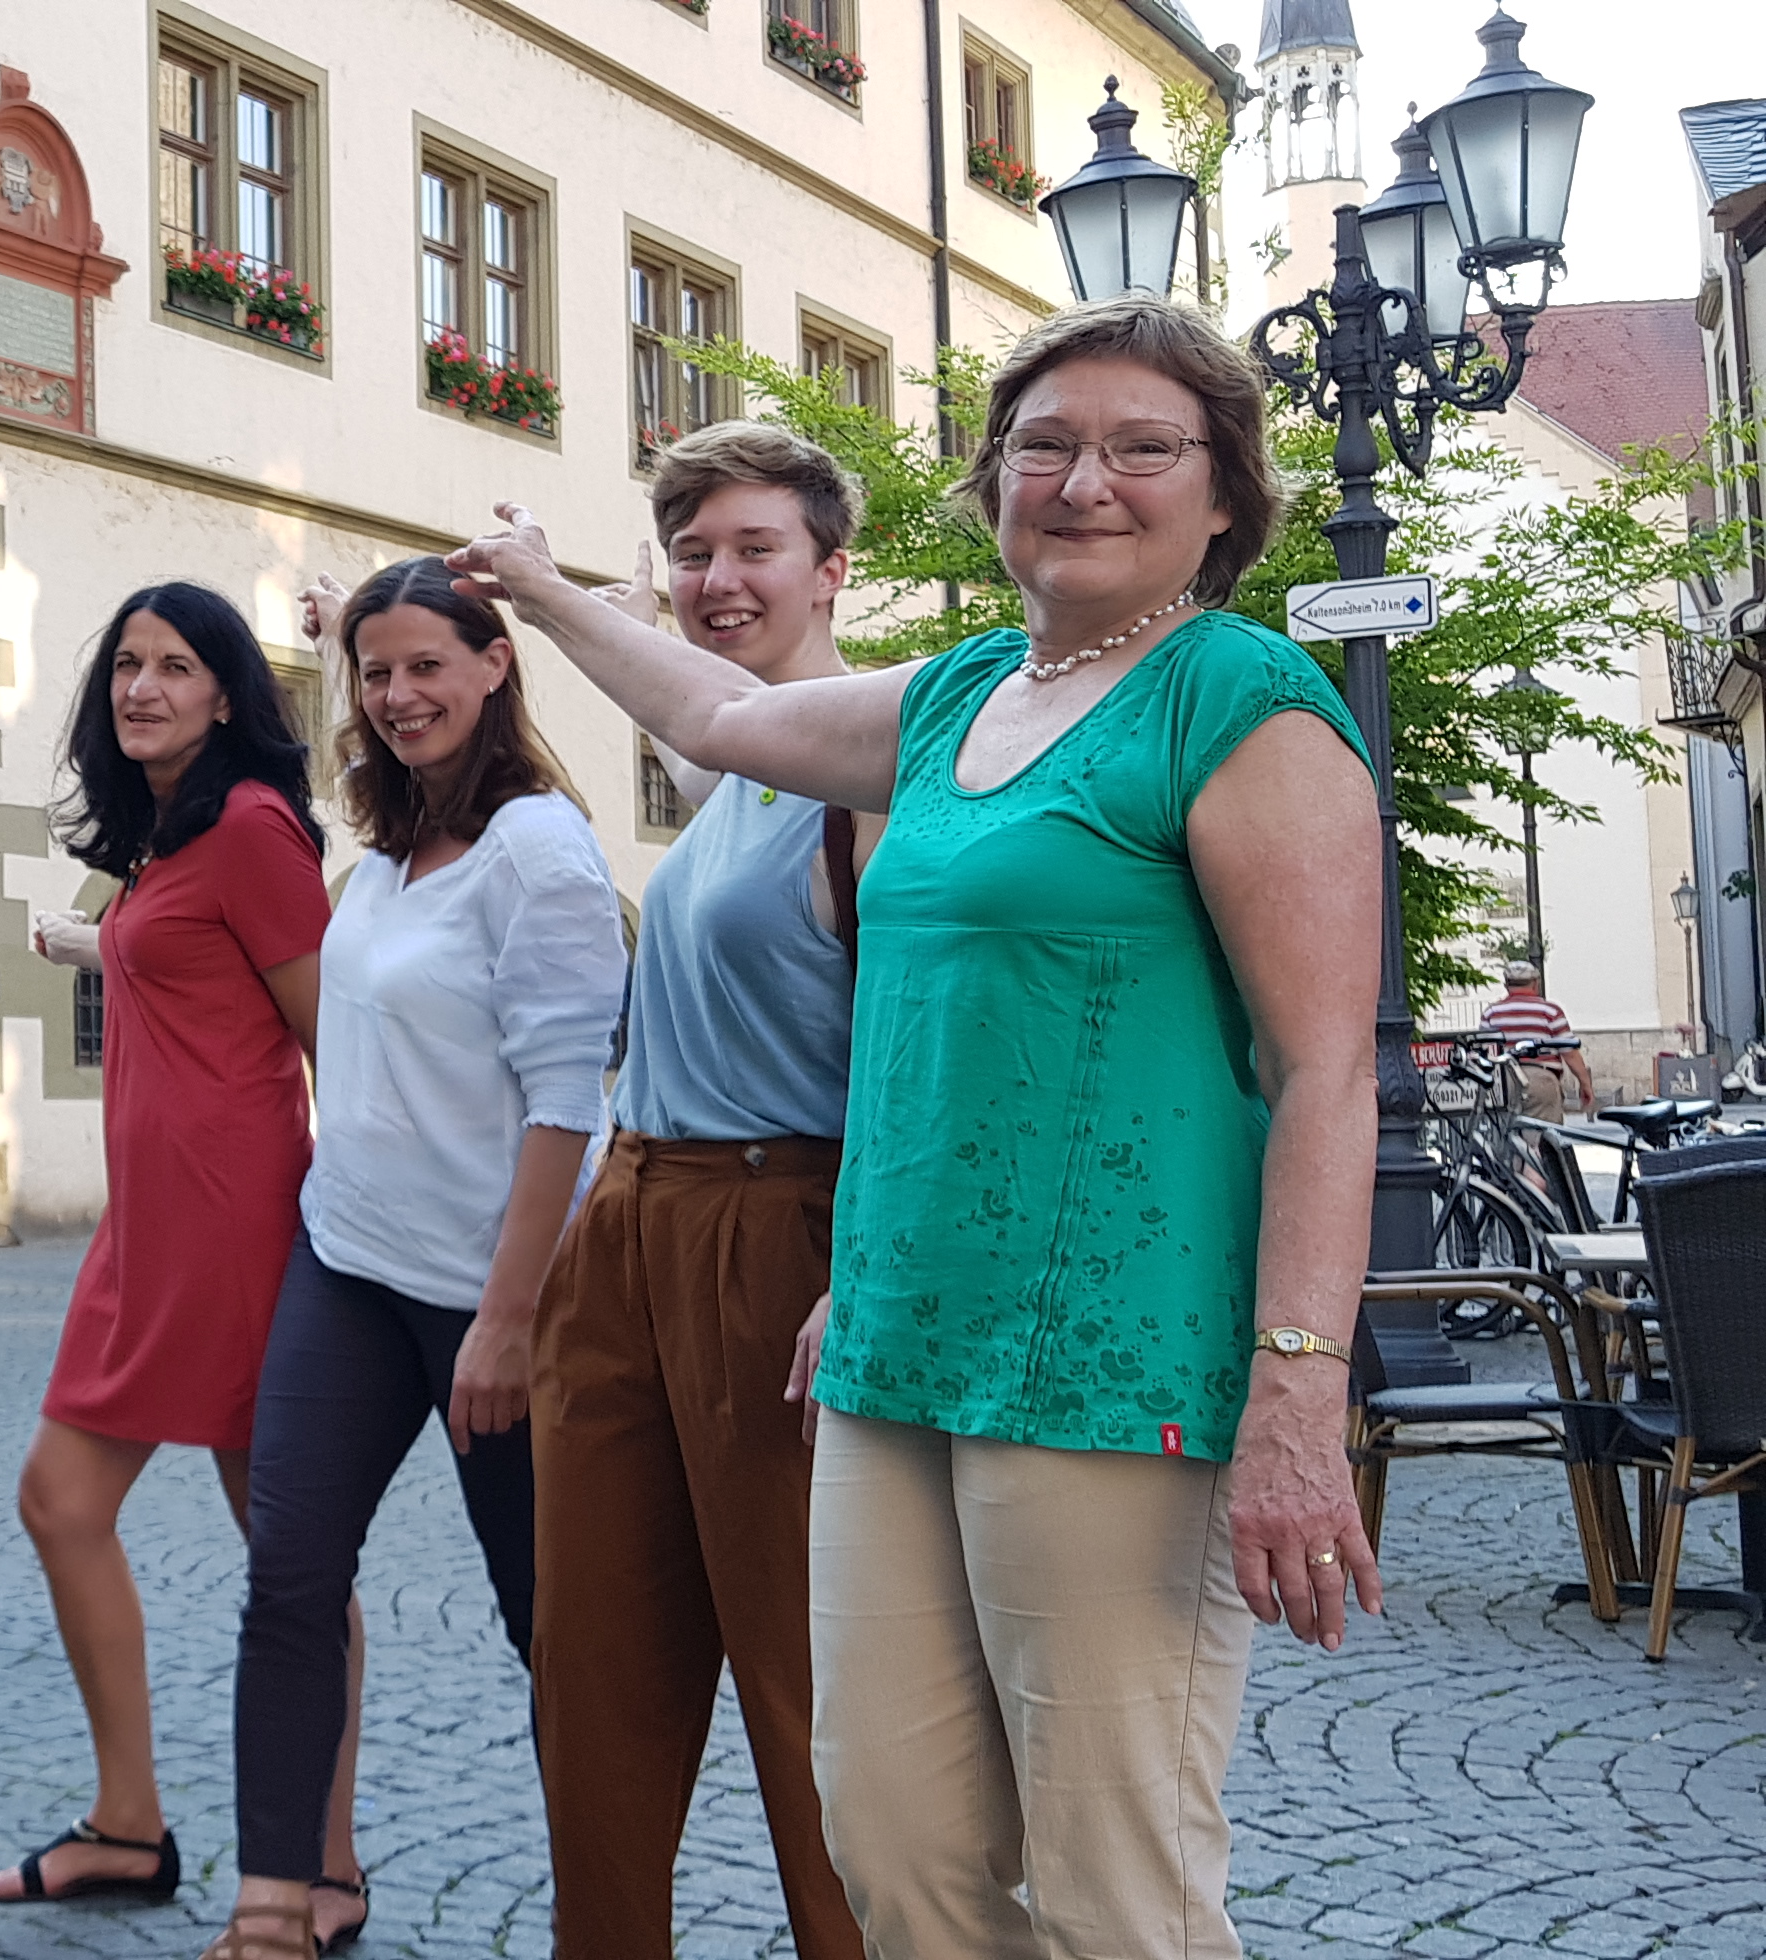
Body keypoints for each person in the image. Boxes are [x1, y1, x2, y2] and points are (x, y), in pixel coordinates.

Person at [448, 292, 1384, 1956]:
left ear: (1223, 496)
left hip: (1107, 1360)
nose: (1083, 479)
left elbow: (1326, 1070)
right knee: (894, 1852)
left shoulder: (1241, 702)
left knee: (1114, 1878)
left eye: (1139, 447)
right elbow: (716, 718)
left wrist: (1298, 1396)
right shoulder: (958, 697)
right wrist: (540, 590)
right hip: (891, 1352)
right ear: (992, 481)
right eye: (1043, 445)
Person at [203, 560, 610, 1960]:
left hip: (495, 1296)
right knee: (290, 1576)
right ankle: (274, 1902)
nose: (398, 695)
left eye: (427, 664)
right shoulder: (385, 850)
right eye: (377, 673)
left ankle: (604, 1916)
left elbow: (567, 1099)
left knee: (550, 1619)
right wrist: (332, 636)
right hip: (350, 1263)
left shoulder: (538, 850)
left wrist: (507, 1322)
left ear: (496, 664)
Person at [514, 423, 873, 1960]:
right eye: (693, 553)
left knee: (810, 1685)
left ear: (832, 570)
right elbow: (671, 683)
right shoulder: (728, 765)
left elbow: (911, 1055)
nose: (716, 580)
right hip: (633, 1218)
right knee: (591, 1670)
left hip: (775, 1225)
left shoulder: (867, 763)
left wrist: (863, 1266)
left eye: (754, 550)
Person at [3, 583, 352, 1939]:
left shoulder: (255, 827)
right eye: (127, 667)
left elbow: (333, 1035)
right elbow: (184, 977)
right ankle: (130, 1824)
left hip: (239, 1230)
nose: (142, 688)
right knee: (60, 1502)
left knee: (290, 1554)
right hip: (147, 1231)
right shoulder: (170, 836)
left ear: (226, 694)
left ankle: (327, 1864)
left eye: (177, 666)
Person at [1478, 961, 1593, 1116]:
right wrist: (1585, 1084)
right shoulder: (1550, 1011)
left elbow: (1485, 1050)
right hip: (1540, 1079)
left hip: (1503, 1081)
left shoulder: (1491, 1013)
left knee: (1505, 1131)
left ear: (1506, 985)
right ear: (1535, 984)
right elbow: (1570, 1053)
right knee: (1544, 1132)